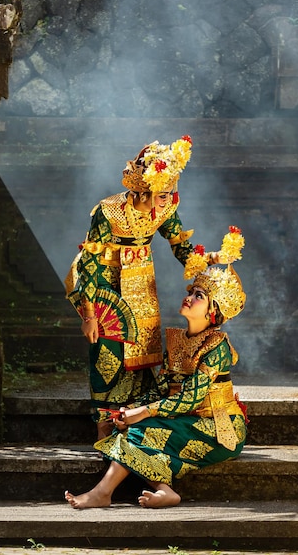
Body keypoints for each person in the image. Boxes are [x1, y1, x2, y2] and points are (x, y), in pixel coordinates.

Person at [65, 230, 247, 509]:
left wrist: (145, 412)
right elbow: (162, 387)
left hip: (218, 428)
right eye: (191, 292)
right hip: (186, 418)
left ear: (213, 311)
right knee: (122, 427)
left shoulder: (216, 347)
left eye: (199, 295)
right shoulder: (175, 340)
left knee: (142, 430)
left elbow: (192, 398)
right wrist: (126, 411)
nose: (189, 297)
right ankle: (164, 490)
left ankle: (102, 493)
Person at [65, 136, 219, 439]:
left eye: (171, 192)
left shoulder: (164, 208)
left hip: (142, 284)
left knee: (144, 357)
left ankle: (133, 428)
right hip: (105, 286)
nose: (169, 199)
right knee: (108, 356)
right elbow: (89, 264)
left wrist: (213, 259)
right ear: (142, 189)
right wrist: (90, 315)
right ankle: (104, 433)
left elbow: (181, 247)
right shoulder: (107, 211)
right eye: (163, 194)